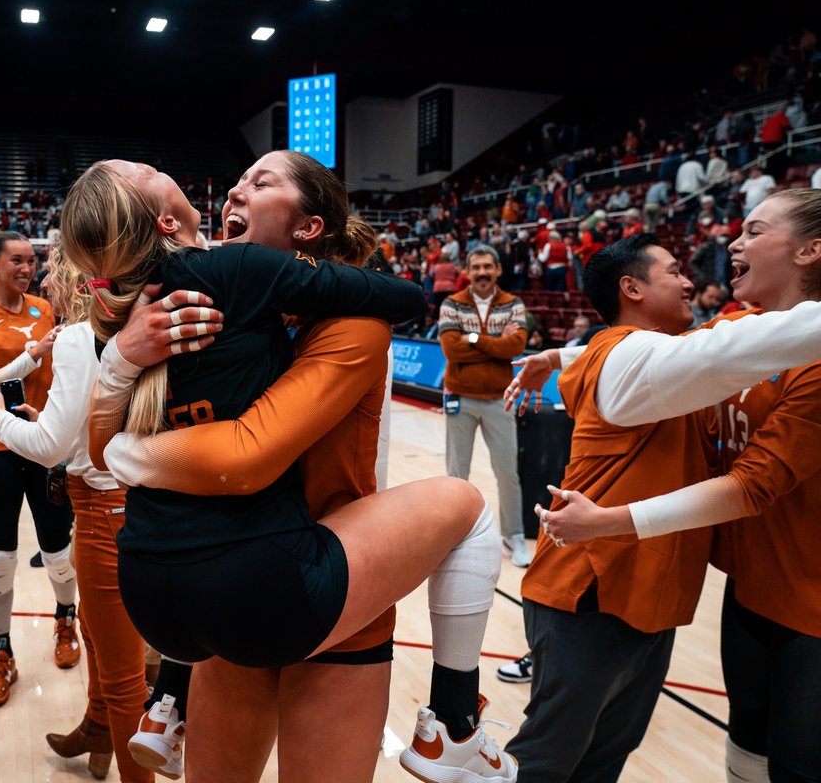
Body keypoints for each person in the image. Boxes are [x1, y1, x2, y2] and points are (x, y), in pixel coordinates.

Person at [64, 156, 514, 783]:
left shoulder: (346, 324)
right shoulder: (208, 310)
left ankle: (172, 695)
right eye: (238, 178)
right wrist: (118, 360)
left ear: (307, 230)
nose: (235, 189)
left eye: (261, 182)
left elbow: (242, 456)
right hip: (252, 569)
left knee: (463, 501)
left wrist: (124, 453)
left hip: (326, 586)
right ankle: (454, 721)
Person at [501, 229, 821, 782]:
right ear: (633, 288)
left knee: (604, 758)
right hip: (593, 591)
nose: (690, 278)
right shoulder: (633, 356)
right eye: (674, 270)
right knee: (547, 763)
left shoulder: (662, 353)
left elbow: (695, 347)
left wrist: (554, 353)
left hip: (651, 595)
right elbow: (710, 350)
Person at [0, 246, 216, 782]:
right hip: (125, 500)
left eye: (50, 266)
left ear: (78, 284)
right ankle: (97, 730)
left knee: (124, 679)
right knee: (101, 642)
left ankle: (124, 745)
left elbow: (50, 445)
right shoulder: (127, 330)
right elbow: (86, 422)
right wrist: (45, 417)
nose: (41, 277)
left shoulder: (77, 337)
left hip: (104, 510)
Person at [0, 229, 78, 707]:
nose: (27, 270)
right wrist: (33, 354)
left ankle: (66, 619)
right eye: (17, 261)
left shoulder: (44, 308)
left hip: (46, 442)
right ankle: (0, 652)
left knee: (57, 552)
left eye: (32, 262)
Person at [439, 247, 532, 567]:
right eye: (476, 267)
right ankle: (452, 533)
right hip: (460, 397)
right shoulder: (451, 303)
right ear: (467, 270)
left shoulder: (513, 304)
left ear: (497, 271)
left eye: (487, 267)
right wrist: (494, 344)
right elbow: (451, 350)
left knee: (507, 472)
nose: (481, 272)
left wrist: (474, 340)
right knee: (456, 474)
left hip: (499, 398)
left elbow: (515, 347)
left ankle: (514, 535)